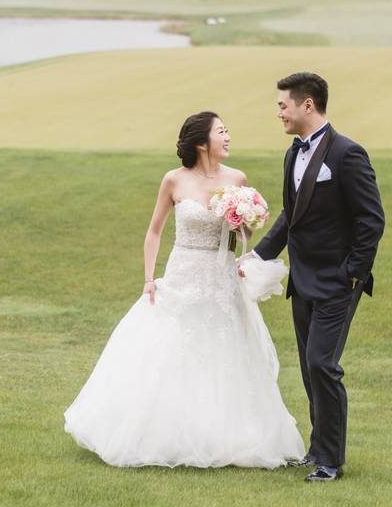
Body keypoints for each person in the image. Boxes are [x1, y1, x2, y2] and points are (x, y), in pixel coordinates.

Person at [64, 111, 304, 468]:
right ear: (201, 142)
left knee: (225, 347)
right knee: (176, 346)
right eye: (221, 131)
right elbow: (155, 230)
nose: (228, 136)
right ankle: (165, 432)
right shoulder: (174, 180)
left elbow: (243, 236)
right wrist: (149, 277)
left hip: (222, 274)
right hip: (184, 272)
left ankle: (229, 435)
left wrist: (242, 221)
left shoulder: (237, 178)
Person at [247, 72, 385, 482]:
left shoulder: (348, 154)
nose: (279, 113)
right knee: (310, 369)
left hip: (338, 283)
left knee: (322, 365)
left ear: (307, 105)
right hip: (302, 281)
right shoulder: (293, 154)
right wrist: (257, 256)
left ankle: (331, 461)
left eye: (282, 105)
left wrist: (353, 273)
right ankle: (317, 448)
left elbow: (371, 220)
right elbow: (293, 214)